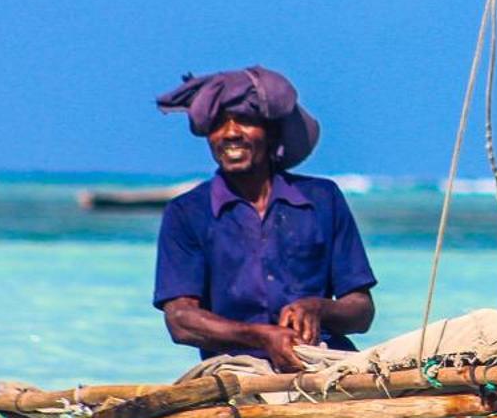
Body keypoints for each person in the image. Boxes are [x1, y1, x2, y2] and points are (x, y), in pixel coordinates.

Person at [151, 66, 376, 372]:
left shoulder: (323, 198)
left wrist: (317, 308)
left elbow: (361, 312)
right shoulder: (187, 212)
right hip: (236, 369)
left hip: (323, 360)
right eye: (217, 124)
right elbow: (180, 320)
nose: (230, 132)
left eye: (245, 120)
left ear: (271, 132)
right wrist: (260, 337)